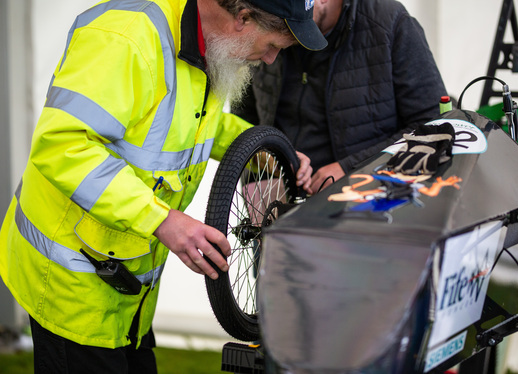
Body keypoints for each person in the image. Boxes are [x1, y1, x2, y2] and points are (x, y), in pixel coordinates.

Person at [0, 0, 325, 372]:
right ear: (243, 17)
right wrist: (162, 220)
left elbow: (203, 126)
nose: (269, 60)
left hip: (125, 281)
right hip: (71, 283)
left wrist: (268, 149)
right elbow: (62, 146)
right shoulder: (127, 38)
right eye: (273, 45)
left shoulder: (206, 44)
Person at [234, 0, 447, 194]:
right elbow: (244, 121)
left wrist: (351, 168)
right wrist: (256, 181)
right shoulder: (273, 17)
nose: (283, 30)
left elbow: (432, 125)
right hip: (279, 192)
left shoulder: (389, 23)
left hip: (367, 194)